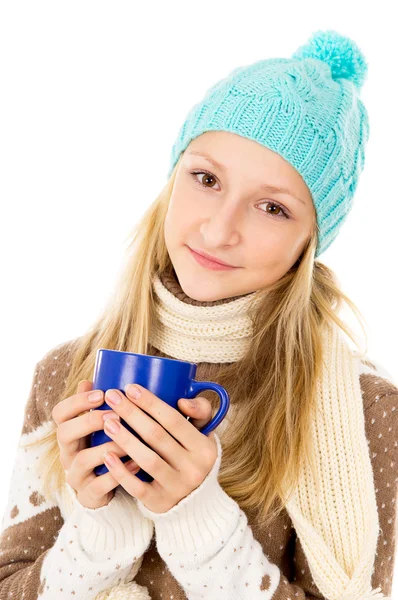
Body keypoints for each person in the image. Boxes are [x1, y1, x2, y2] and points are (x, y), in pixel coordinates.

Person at [0, 28, 397, 600]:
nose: (217, 229)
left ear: (311, 240)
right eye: (206, 179)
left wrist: (202, 527)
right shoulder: (66, 372)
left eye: (272, 207)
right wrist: (98, 538)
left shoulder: (367, 411)